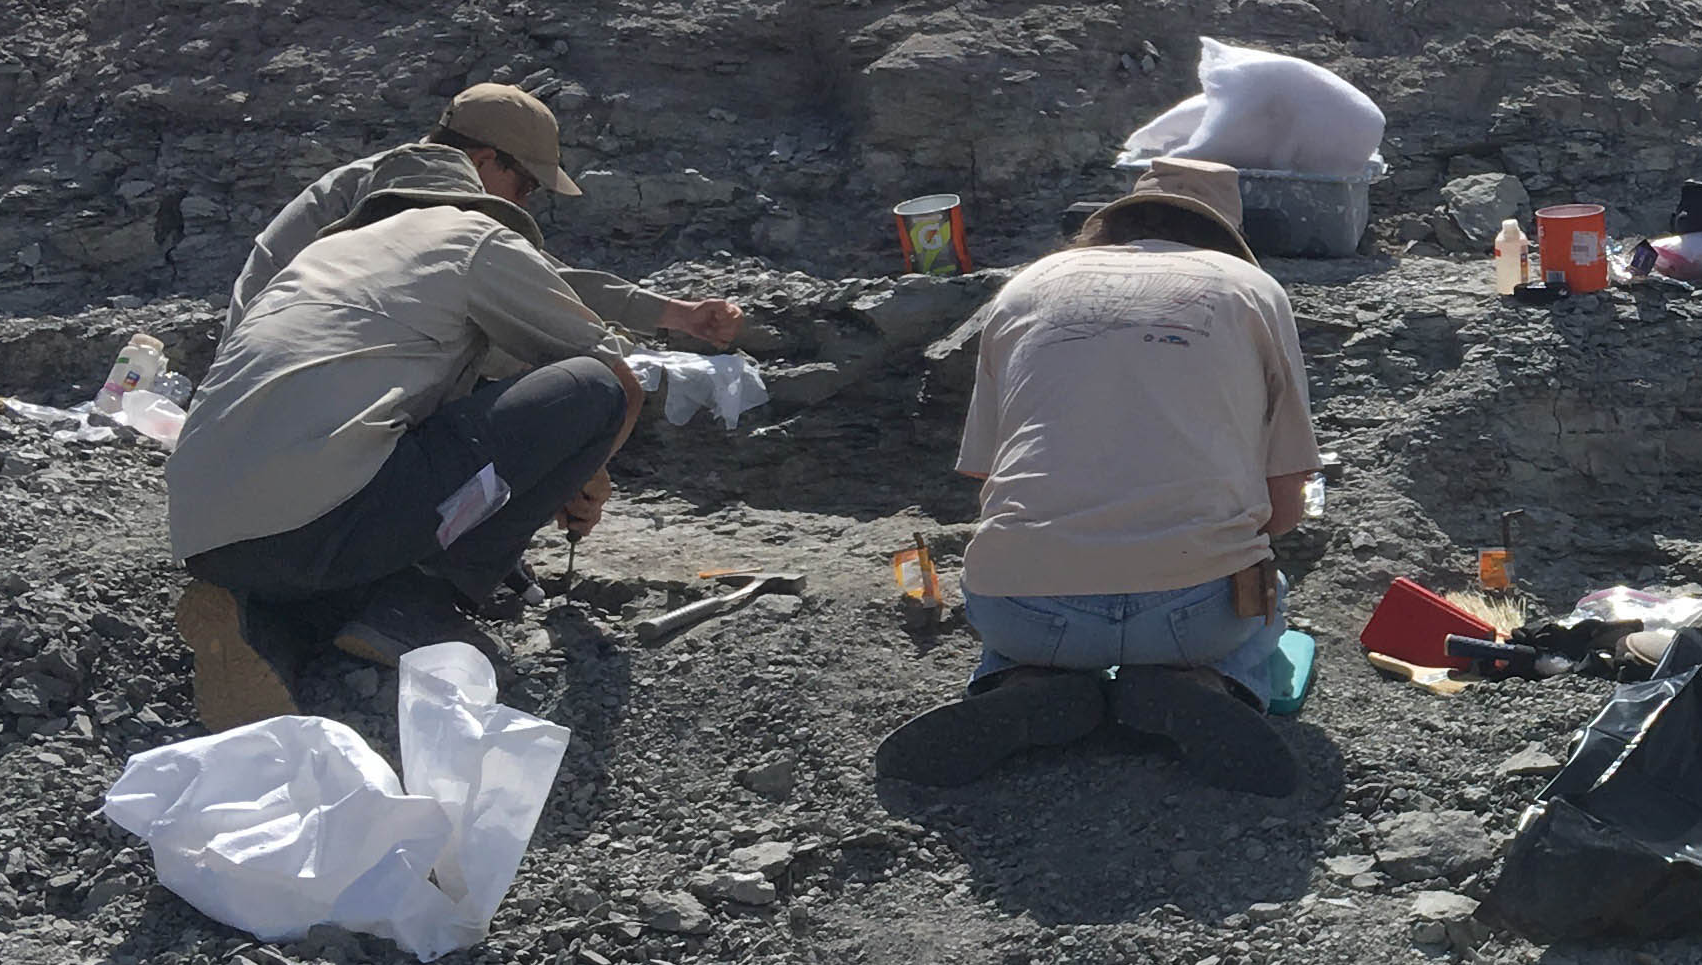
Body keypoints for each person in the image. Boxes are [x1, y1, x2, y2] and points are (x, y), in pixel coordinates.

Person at [877, 159, 1313, 796]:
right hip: (1191, 619)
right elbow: (1285, 511)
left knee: (1028, 566)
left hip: (1022, 611)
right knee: (1267, 586)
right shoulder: (1250, 289)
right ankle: (1208, 684)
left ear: (1114, 225)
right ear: (1223, 237)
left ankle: (1023, 681)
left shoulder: (1028, 286)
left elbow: (990, 481)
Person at [166, 143, 644, 724]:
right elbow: (614, 375)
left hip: (204, 537)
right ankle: (422, 602)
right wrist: (586, 472)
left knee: (332, 533)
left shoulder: (316, 260)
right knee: (592, 388)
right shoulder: (470, 235)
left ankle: (257, 623)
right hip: (325, 524)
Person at [230, 83, 748, 353]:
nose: (523, 203)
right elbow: (545, 284)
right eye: (524, 184)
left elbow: (539, 274)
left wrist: (675, 314)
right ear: (482, 162)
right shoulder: (406, 195)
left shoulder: (403, 180)